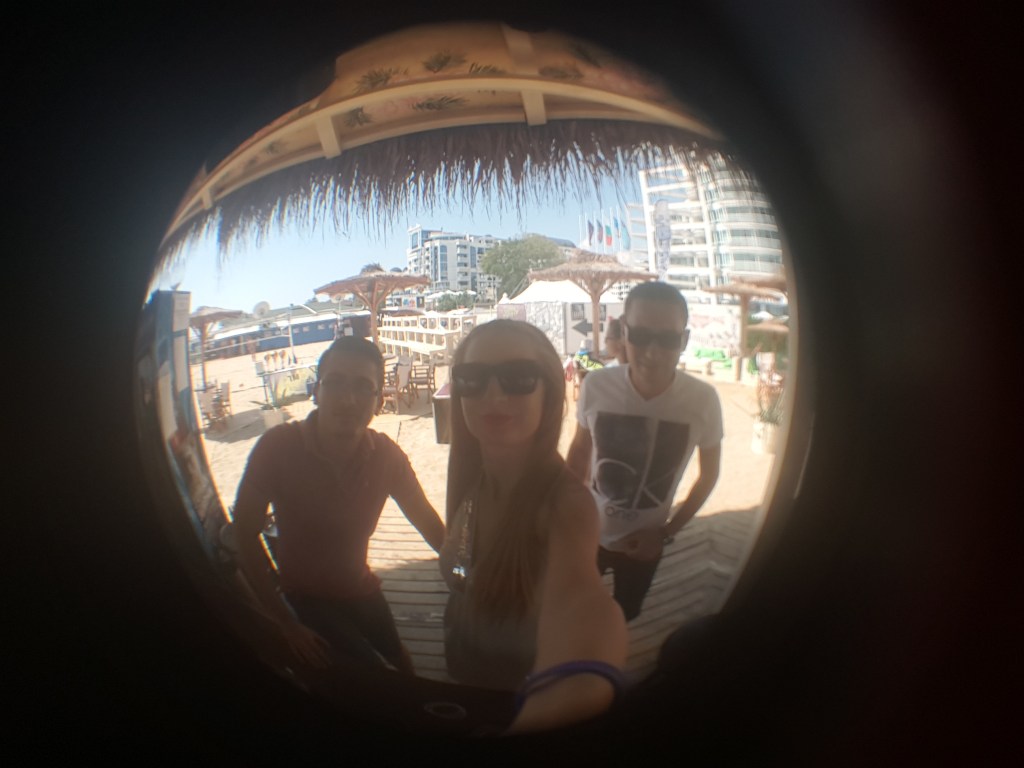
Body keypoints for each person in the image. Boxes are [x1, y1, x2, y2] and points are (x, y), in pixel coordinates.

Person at [439, 319, 627, 733]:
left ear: (550, 391)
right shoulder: (470, 474)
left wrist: (576, 686)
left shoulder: (565, 504)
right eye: (472, 378)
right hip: (461, 672)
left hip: (515, 701)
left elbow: (585, 603)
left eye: (518, 377)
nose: (492, 394)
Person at [232, 336, 445, 675]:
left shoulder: (386, 456)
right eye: (335, 383)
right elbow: (243, 533)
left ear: (378, 401)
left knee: (401, 659)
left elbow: (429, 524)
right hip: (304, 598)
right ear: (316, 391)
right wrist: (285, 621)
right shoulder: (278, 447)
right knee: (369, 675)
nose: (348, 399)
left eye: (363, 387)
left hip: (359, 585)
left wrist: (471, 579)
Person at [567, 282, 723, 621]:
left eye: (667, 339)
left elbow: (709, 474)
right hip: (587, 531)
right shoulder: (596, 386)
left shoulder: (703, 400)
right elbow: (579, 451)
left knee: (627, 611)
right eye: (641, 336)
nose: (653, 351)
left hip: (646, 543)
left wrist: (665, 533)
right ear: (624, 331)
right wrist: (568, 515)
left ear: (684, 340)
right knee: (576, 606)